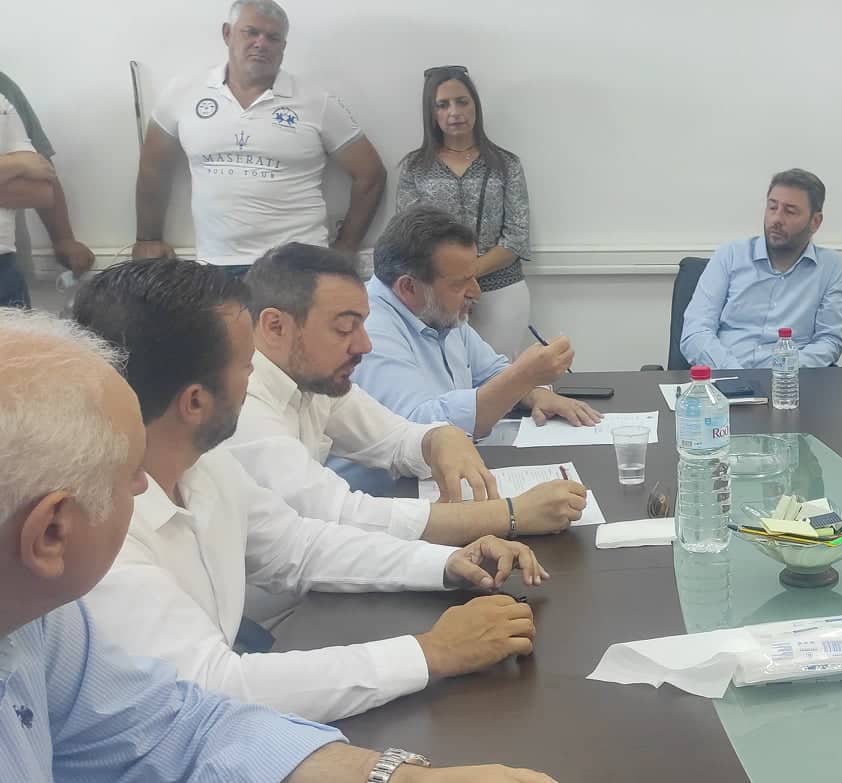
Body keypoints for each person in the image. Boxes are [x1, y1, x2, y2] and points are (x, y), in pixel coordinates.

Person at [0, 308, 555, 782]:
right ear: (50, 534)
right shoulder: (83, 586)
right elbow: (217, 688)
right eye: (126, 474)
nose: (141, 484)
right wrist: (430, 652)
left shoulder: (40, 626)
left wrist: (400, 776)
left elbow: (183, 725)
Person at [71, 258, 550, 724]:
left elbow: (300, 545)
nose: (256, 376)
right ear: (194, 403)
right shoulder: (99, 527)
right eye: (245, 365)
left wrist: (446, 564)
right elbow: (213, 689)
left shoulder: (203, 463)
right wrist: (432, 652)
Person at [230, 242, 589, 546]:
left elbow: (394, 437)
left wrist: (438, 438)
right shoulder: (242, 409)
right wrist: (508, 514)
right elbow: (339, 516)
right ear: (275, 326)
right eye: (344, 329)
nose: (365, 345)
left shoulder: (313, 378)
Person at [351, 205, 599, 488]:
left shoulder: (435, 310)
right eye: (460, 283)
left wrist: (534, 393)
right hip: (388, 496)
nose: (476, 292)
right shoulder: (369, 330)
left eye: (474, 276)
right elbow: (422, 431)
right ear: (408, 287)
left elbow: (491, 372)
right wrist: (523, 376)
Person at [131, 0, 386, 271]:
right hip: (216, 265)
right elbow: (153, 165)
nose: (261, 43)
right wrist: (148, 238)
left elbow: (371, 174)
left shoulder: (316, 102)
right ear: (227, 33)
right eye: (251, 32)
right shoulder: (183, 92)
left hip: (300, 265)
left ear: (283, 47)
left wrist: (346, 247)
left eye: (273, 37)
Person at [396, 66, 533, 356]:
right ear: (431, 113)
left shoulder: (506, 164)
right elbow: (408, 238)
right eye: (442, 105)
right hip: (436, 292)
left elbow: (517, 236)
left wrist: (468, 273)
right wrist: (450, 279)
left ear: (475, 106)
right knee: (444, 373)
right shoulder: (414, 167)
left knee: (500, 374)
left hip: (500, 289)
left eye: (462, 102)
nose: (454, 112)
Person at [680, 168, 842, 369]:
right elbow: (696, 331)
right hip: (725, 375)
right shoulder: (730, 255)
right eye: (772, 207)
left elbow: (830, 340)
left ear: (815, 222)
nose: (776, 219)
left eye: (789, 211)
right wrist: (736, 374)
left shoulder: (831, 267)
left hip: (791, 381)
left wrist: (782, 372)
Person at [0, 71, 96, 308]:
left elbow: (41, 187)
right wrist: (15, 165)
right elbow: (27, 166)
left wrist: (63, 239)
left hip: (7, 267)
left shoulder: (2, 88)